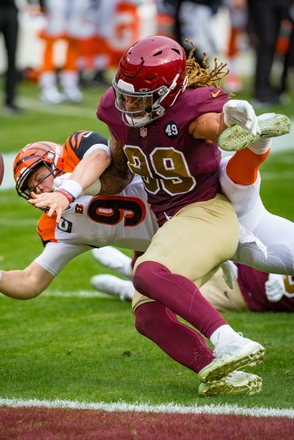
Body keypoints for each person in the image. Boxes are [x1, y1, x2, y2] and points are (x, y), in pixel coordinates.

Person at [94, 35, 282, 393]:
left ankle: (230, 340)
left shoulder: (190, 109)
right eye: (125, 93)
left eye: (140, 97)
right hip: (172, 226)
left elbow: (212, 125)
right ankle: (220, 372)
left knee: (146, 272)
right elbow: (118, 175)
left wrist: (230, 120)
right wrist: (71, 188)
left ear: (171, 92)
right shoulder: (116, 111)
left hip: (208, 213)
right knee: (148, 317)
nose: (129, 104)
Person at [91, 249, 294, 312]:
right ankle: (129, 268)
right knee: (175, 264)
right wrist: (278, 269)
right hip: (241, 267)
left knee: (175, 300)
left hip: (242, 298)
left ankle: (128, 290)